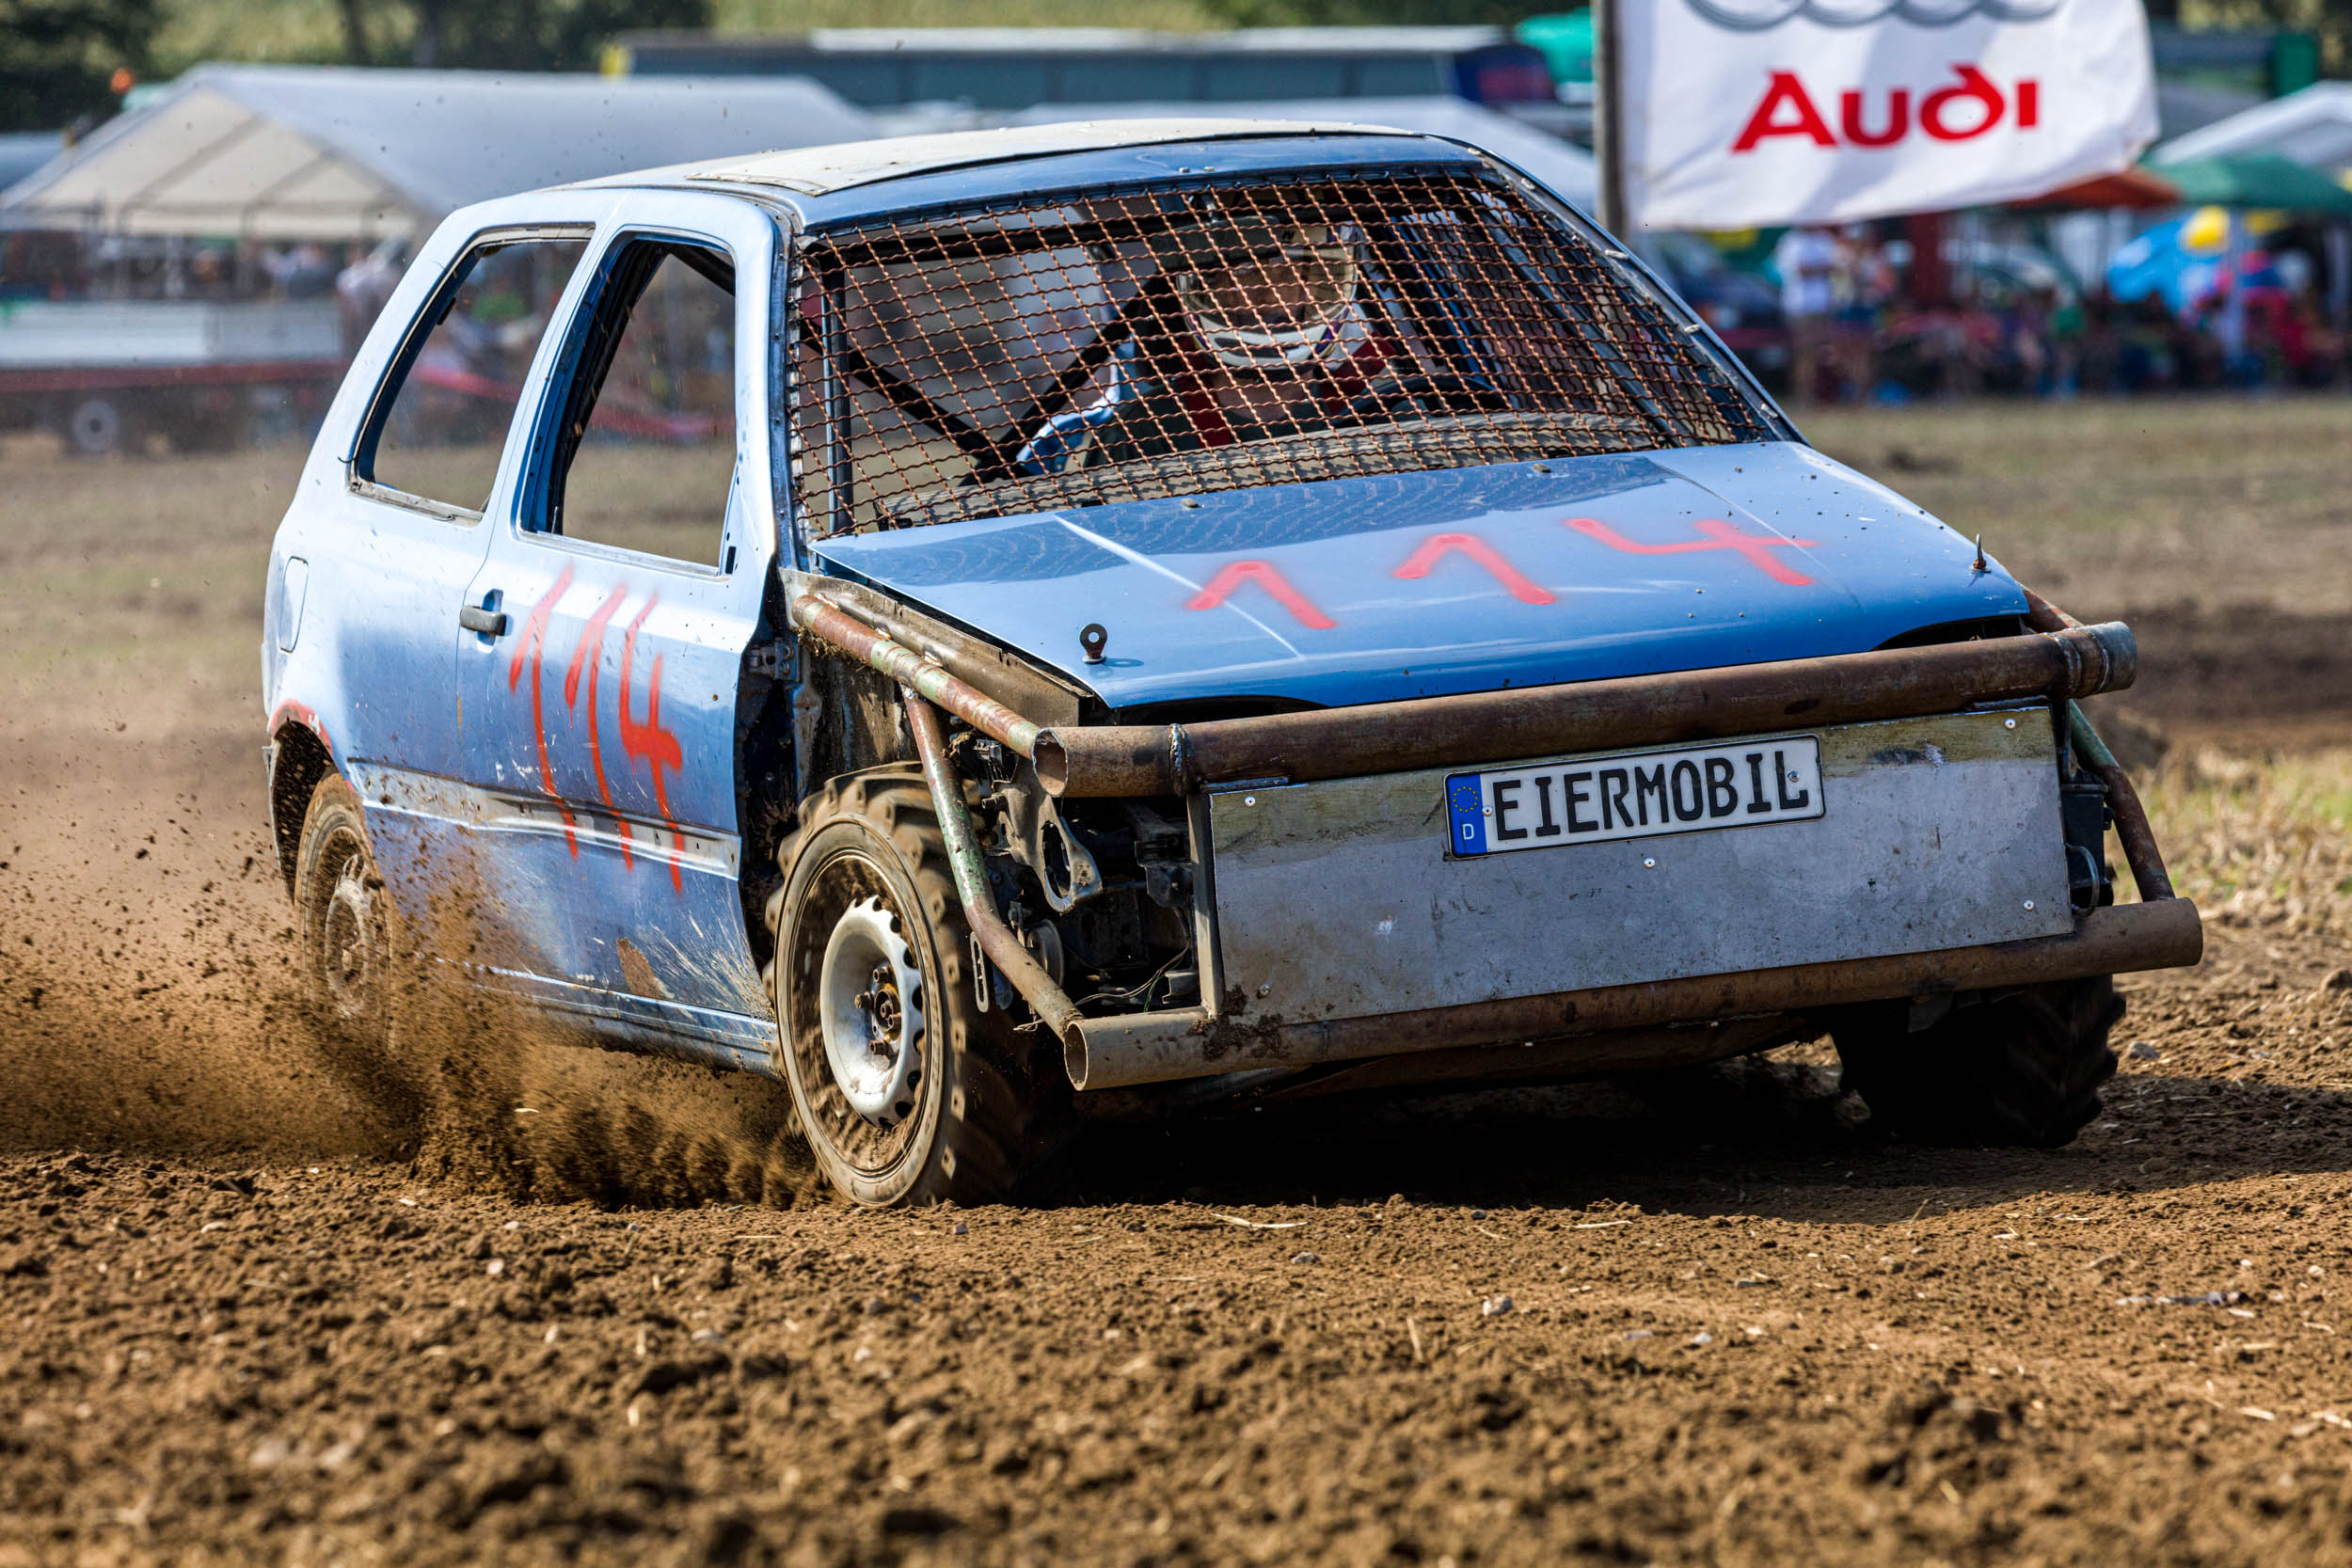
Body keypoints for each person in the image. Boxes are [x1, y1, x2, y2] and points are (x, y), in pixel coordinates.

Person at [1017, 222, 1403, 475]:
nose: (1267, 295)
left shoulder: (1391, 411)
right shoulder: (1138, 435)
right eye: (1242, 274)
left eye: (1290, 273)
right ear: (1205, 290)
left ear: (1320, 286)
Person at [1772, 225, 1840, 405]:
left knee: (1820, 352)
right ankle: (1803, 394)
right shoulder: (1791, 241)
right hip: (1799, 306)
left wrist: (1815, 269)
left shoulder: (1824, 238)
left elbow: (1836, 266)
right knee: (1803, 351)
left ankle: (1815, 393)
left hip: (1823, 305)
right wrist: (1821, 268)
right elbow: (1799, 270)